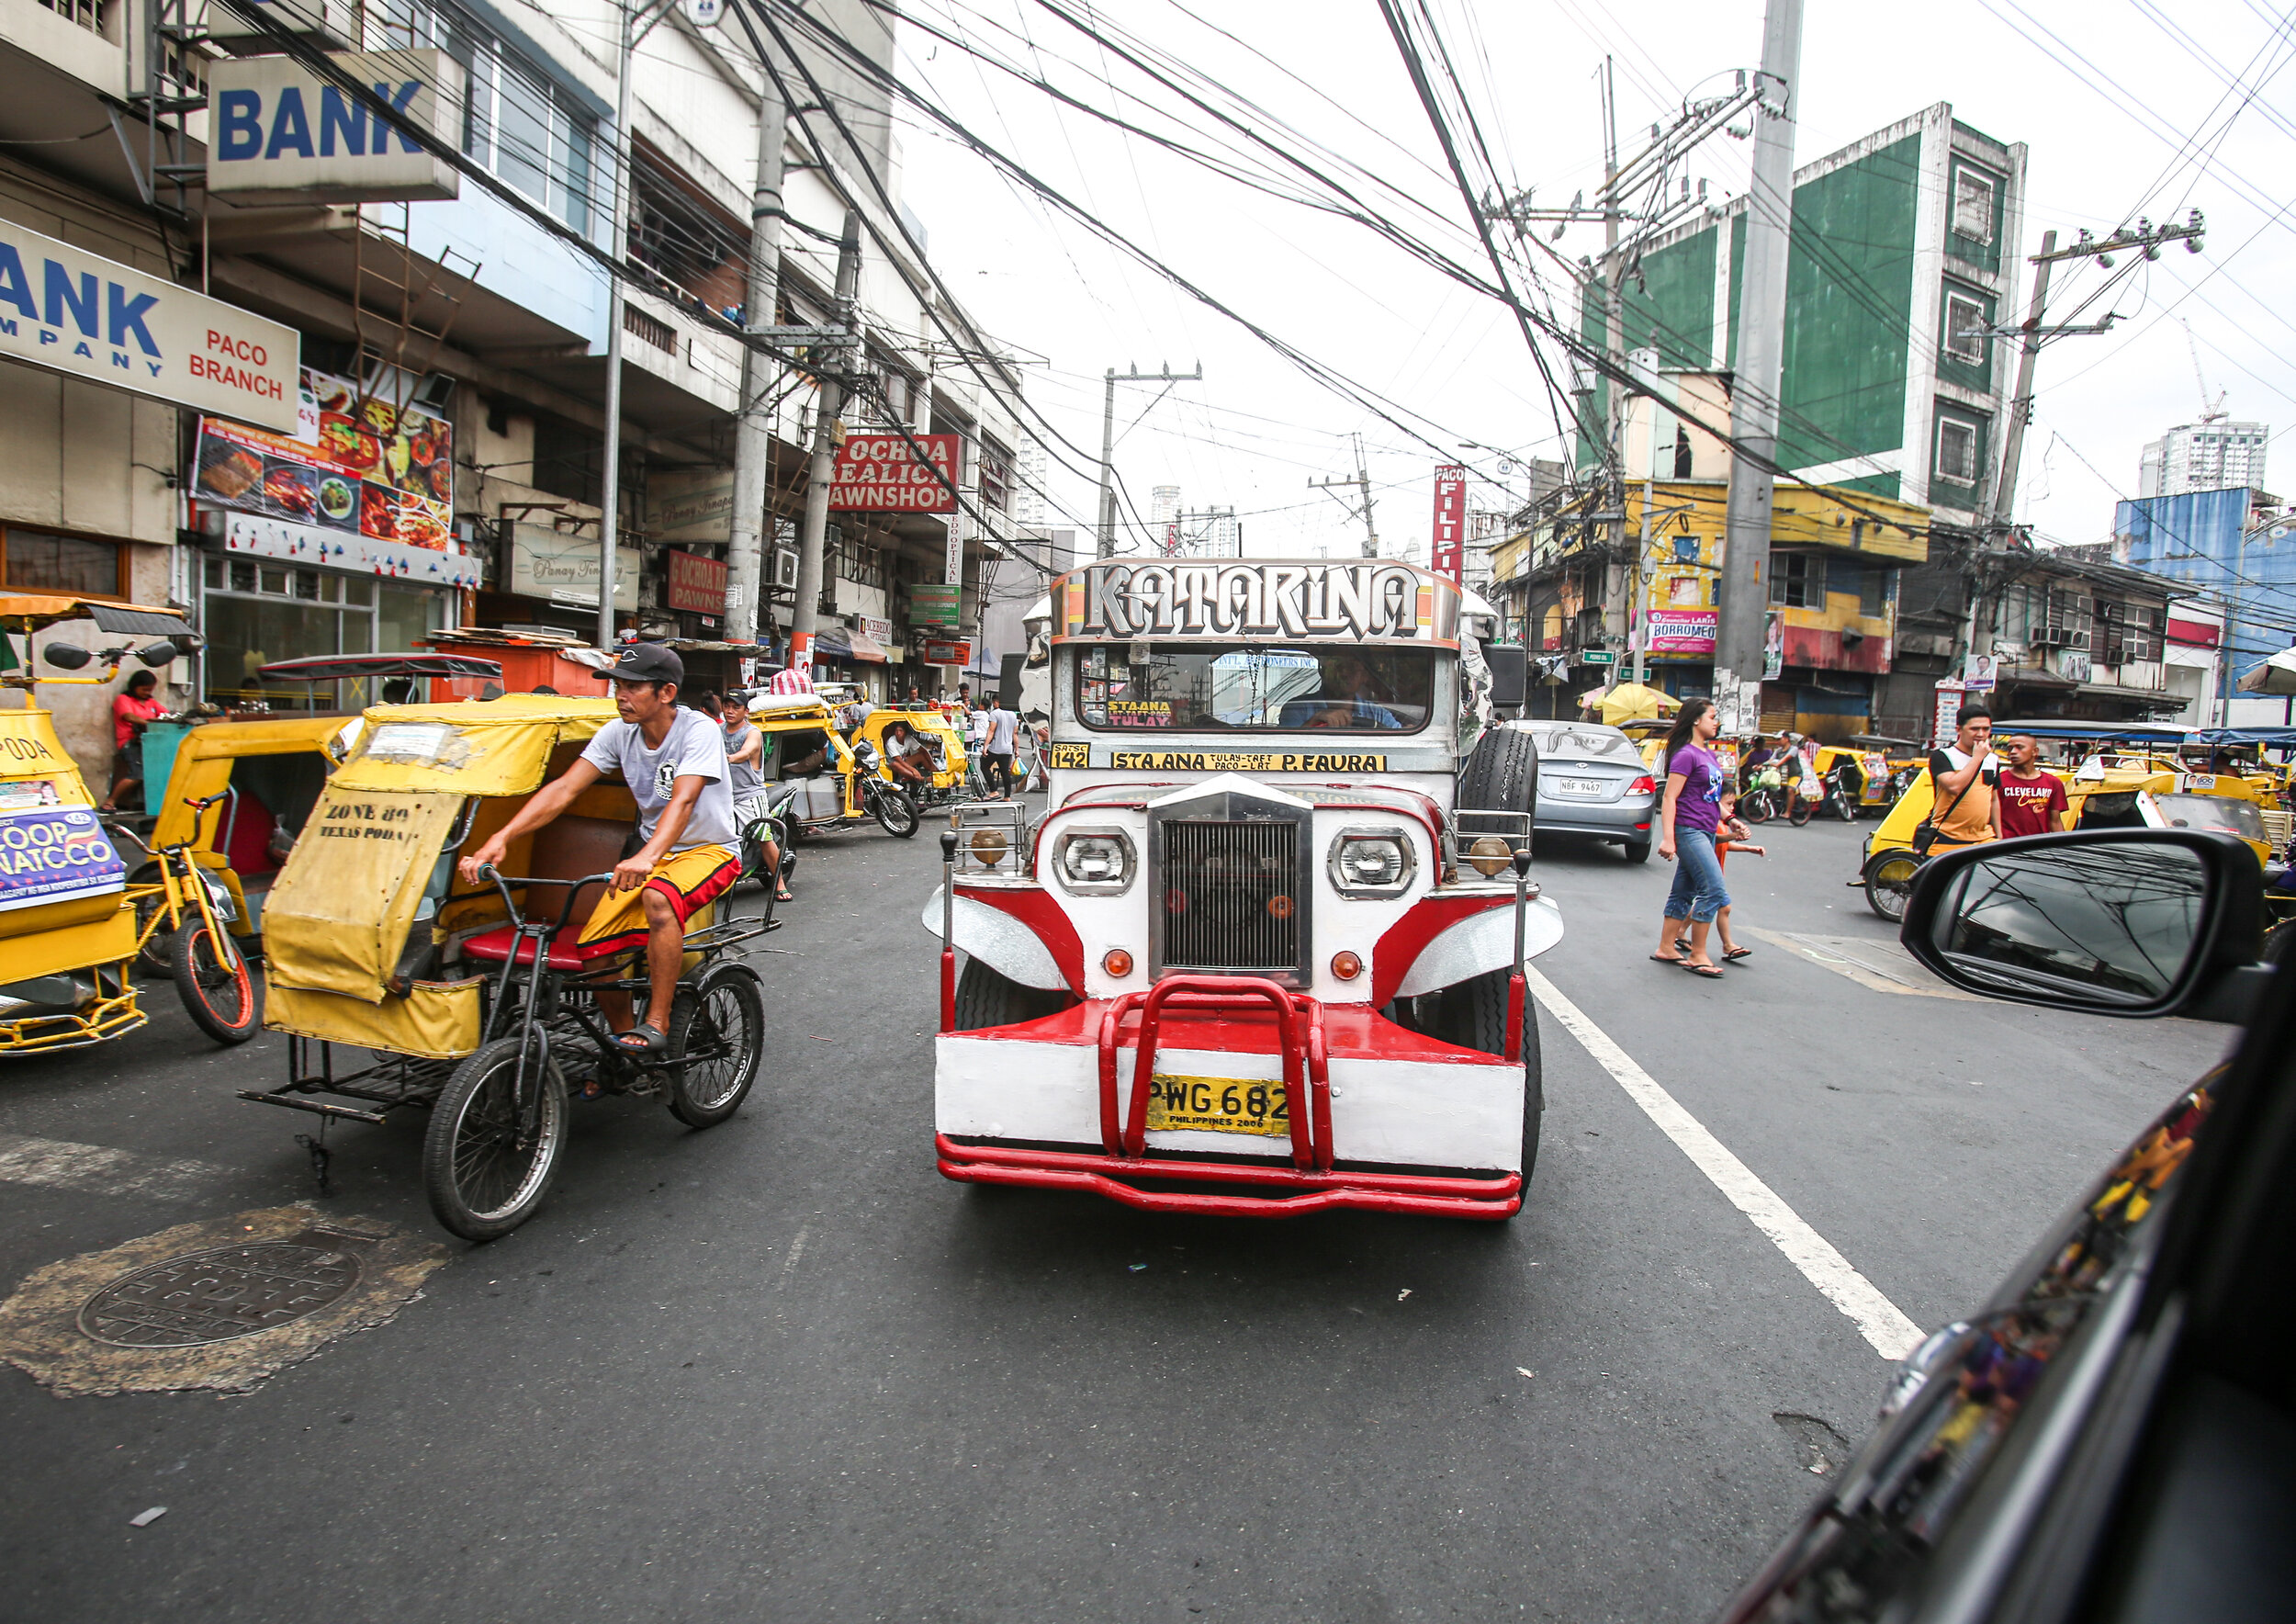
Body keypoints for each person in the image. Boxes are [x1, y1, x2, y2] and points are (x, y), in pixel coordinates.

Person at [457, 644, 740, 1058]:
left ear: (665, 692)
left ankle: (657, 1022)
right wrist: (501, 838)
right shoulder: (617, 733)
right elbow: (565, 789)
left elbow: (683, 800)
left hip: (708, 850)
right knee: (594, 945)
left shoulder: (697, 730)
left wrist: (647, 856)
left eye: (632, 687)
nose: (620, 697)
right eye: (617, 687)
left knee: (658, 898)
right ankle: (626, 1045)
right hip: (652, 851)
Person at [1652, 695, 1731, 978]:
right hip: (1690, 830)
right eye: (1712, 716)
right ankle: (1698, 953)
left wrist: (1730, 819)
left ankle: (1666, 946)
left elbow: (1711, 798)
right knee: (1714, 890)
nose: (1716, 722)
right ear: (1696, 720)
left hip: (1707, 829)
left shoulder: (1708, 754)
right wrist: (1668, 838)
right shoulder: (1686, 754)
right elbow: (1670, 797)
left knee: (1684, 892)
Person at [702, 692, 789, 904]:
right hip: (721, 796)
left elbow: (747, 752)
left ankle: (779, 884)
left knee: (763, 836)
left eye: (736, 707)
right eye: (727, 706)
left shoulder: (752, 732)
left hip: (749, 795)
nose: (730, 711)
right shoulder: (717, 730)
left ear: (745, 711)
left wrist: (728, 758)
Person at [1926, 705, 2002, 850]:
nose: (1981, 734)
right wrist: (1977, 759)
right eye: (1974, 729)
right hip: (1947, 837)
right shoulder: (1943, 756)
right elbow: (1954, 786)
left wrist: (1999, 836)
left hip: (1984, 838)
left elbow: (1994, 798)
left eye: (1986, 729)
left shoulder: (1992, 759)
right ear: (1959, 729)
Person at [1281, 652, 1402, 729]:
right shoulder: (1297, 708)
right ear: (1322, 671)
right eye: (1337, 667)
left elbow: (1401, 742)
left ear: (1365, 677)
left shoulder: (1378, 714)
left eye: (1352, 668)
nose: (1344, 673)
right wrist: (1314, 721)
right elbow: (1284, 751)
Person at [101, 671, 166, 813]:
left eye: (150, 689)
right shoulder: (123, 699)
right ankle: (110, 801)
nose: (147, 693)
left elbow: (166, 716)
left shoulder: (151, 703)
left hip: (150, 744)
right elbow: (128, 716)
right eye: (144, 689)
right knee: (138, 773)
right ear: (134, 686)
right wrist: (147, 723)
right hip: (130, 743)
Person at [1997, 732, 2071, 839]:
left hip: (2037, 847)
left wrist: (2063, 848)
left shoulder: (2053, 783)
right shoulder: (1999, 780)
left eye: (2019, 747)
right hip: (2007, 847)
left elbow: (2055, 821)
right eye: (2009, 748)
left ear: (2035, 751)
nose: (2013, 752)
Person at [982, 695, 1019, 799]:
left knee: (984, 766)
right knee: (1005, 772)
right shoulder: (1013, 715)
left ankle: (994, 791)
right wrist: (1017, 749)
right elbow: (1015, 734)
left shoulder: (995, 714)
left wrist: (985, 747)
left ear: (996, 702)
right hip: (1007, 749)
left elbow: (991, 731)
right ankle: (1007, 796)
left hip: (995, 748)